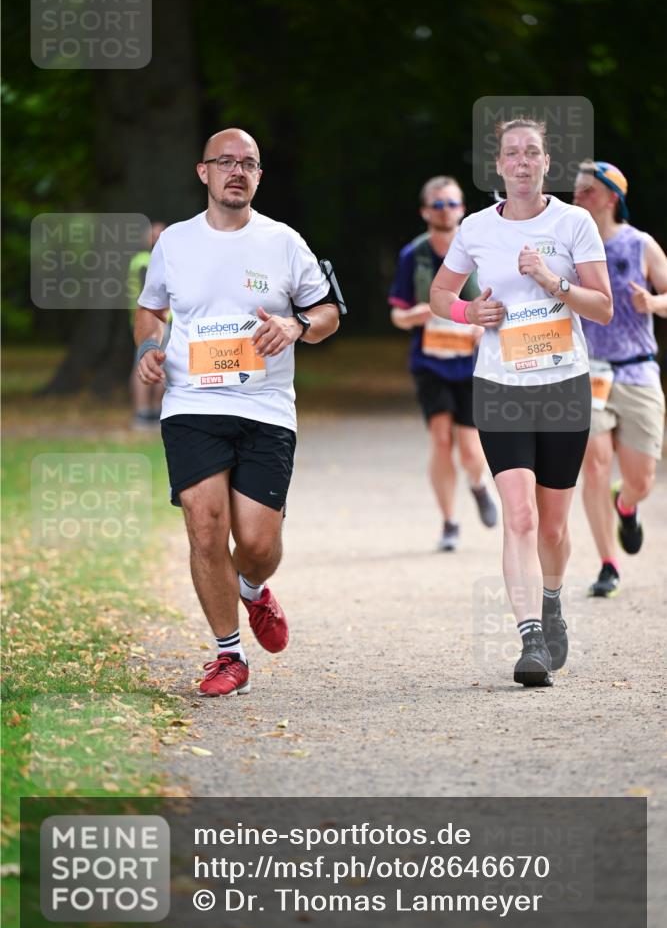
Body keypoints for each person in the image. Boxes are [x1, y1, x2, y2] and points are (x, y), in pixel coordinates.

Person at [134, 128, 340, 697]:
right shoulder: (175, 242)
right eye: (225, 162)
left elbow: (327, 313)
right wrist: (148, 346)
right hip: (191, 403)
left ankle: (253, 589)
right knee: (205, 526)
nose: (237, 171)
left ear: (258, 176)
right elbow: (151, 309)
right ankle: (229, 655)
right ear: (204, 172)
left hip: (265, 407)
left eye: (248, 163)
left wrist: (296, 324)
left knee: (256, 545)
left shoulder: (283, 242)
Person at [430, 119, 612, 687]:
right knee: (521, 515)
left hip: (563, 385)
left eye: (532, 152)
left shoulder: (574, 222)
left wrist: (553, 280)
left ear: (547, 163)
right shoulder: (476, 228)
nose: (523, 161)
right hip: (500, 385)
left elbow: (603, 307)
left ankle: (551, 600)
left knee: (553, 525)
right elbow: (439, 294)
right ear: (499, 165)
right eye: (512, 153)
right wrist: (468, 312)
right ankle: (531, 639)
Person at [573, 161, 667, 597]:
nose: (578, 196)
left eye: (587, 190)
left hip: (637, 369)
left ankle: (626, 503)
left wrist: (654, 302)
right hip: (588, 371)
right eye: (576, 190)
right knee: (593, 465)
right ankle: (608, 564)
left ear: (613, 197)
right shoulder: (568, 246)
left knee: (642, 479)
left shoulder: (639, 243)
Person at [389, 176, 497, 551]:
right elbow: (397, 315)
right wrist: (415, 315)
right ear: (425, 211)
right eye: (437, 205)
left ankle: (478, 484)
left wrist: (483, 328)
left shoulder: (480, 252)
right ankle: (450, 522)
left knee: (470, 448)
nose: (445, 211)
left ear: (463, 209)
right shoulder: (414, 255)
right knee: (440, 438)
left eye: (451, 204)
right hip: (430, 362)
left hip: (471, 362)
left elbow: (501, 305)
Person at [129, 221, 167, 429]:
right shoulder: (145, 261)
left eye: (162, 234)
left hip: (164, 321)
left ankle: (155, 410)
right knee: (144, 362)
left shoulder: (155, 259)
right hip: (151, 322)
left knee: (162, 364)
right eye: (155, 235)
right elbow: (151, 296)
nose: (158, 238)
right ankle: (142, 412)